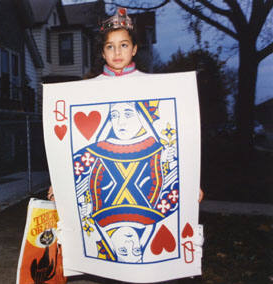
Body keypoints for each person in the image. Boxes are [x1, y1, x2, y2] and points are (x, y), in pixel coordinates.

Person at [47, 7, 204, 263]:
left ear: (134, 49)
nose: (117, 52)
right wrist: (62, 184)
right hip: (104, 206)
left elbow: (177, 143)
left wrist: (187, 185)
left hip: (146, 199)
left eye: (123, 45)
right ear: (102, 52)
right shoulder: (84, 93)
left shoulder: (157, 89)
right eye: (110, 46)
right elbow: (75, 154)